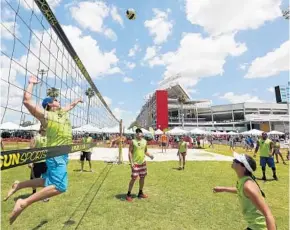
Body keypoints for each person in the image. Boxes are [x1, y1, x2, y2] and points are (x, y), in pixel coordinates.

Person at [4, 75, 83, 225]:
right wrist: (31, 83)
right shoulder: (47, 116)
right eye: (55, 100)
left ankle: (19, 185)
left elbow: (70, 106)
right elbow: (27, 101)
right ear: (49, 105)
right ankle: (23, 202)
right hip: (55, 154)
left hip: (63, 153)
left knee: (48, 181)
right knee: (60, 186)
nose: (58, 101)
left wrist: (77, 101)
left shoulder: (61, 113)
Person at [213, 152, 276, 230]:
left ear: (244, 167)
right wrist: (223, 189)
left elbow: (268, 214)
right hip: (253, 225)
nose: (233, 160)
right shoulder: (243, 181)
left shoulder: (248, 186)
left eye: (236, 160)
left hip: (260, 227)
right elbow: (241, 190)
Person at [126, 128, 154, 202]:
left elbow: (145, 151)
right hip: (135, 163)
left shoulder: (145, 141)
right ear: (136, 134)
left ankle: (140, 193)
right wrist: (131, 162)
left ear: (142, 133)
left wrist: (150, 155)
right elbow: (130, 152)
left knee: (142, 177)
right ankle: (128, 194)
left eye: (140, 132)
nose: (138, 133)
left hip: (143, 163)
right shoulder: (133, 141)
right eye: (137, 132)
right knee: (134, 178)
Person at [28, 126, 49, 202]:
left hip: (45, 162)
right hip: (36, 162)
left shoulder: (47, 138)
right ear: (41, 128)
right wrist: (30, 162)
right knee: (34, 179)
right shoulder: (36, 138)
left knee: (45, 179)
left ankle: (44, 195)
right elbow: (31, 150)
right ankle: (34, 194)